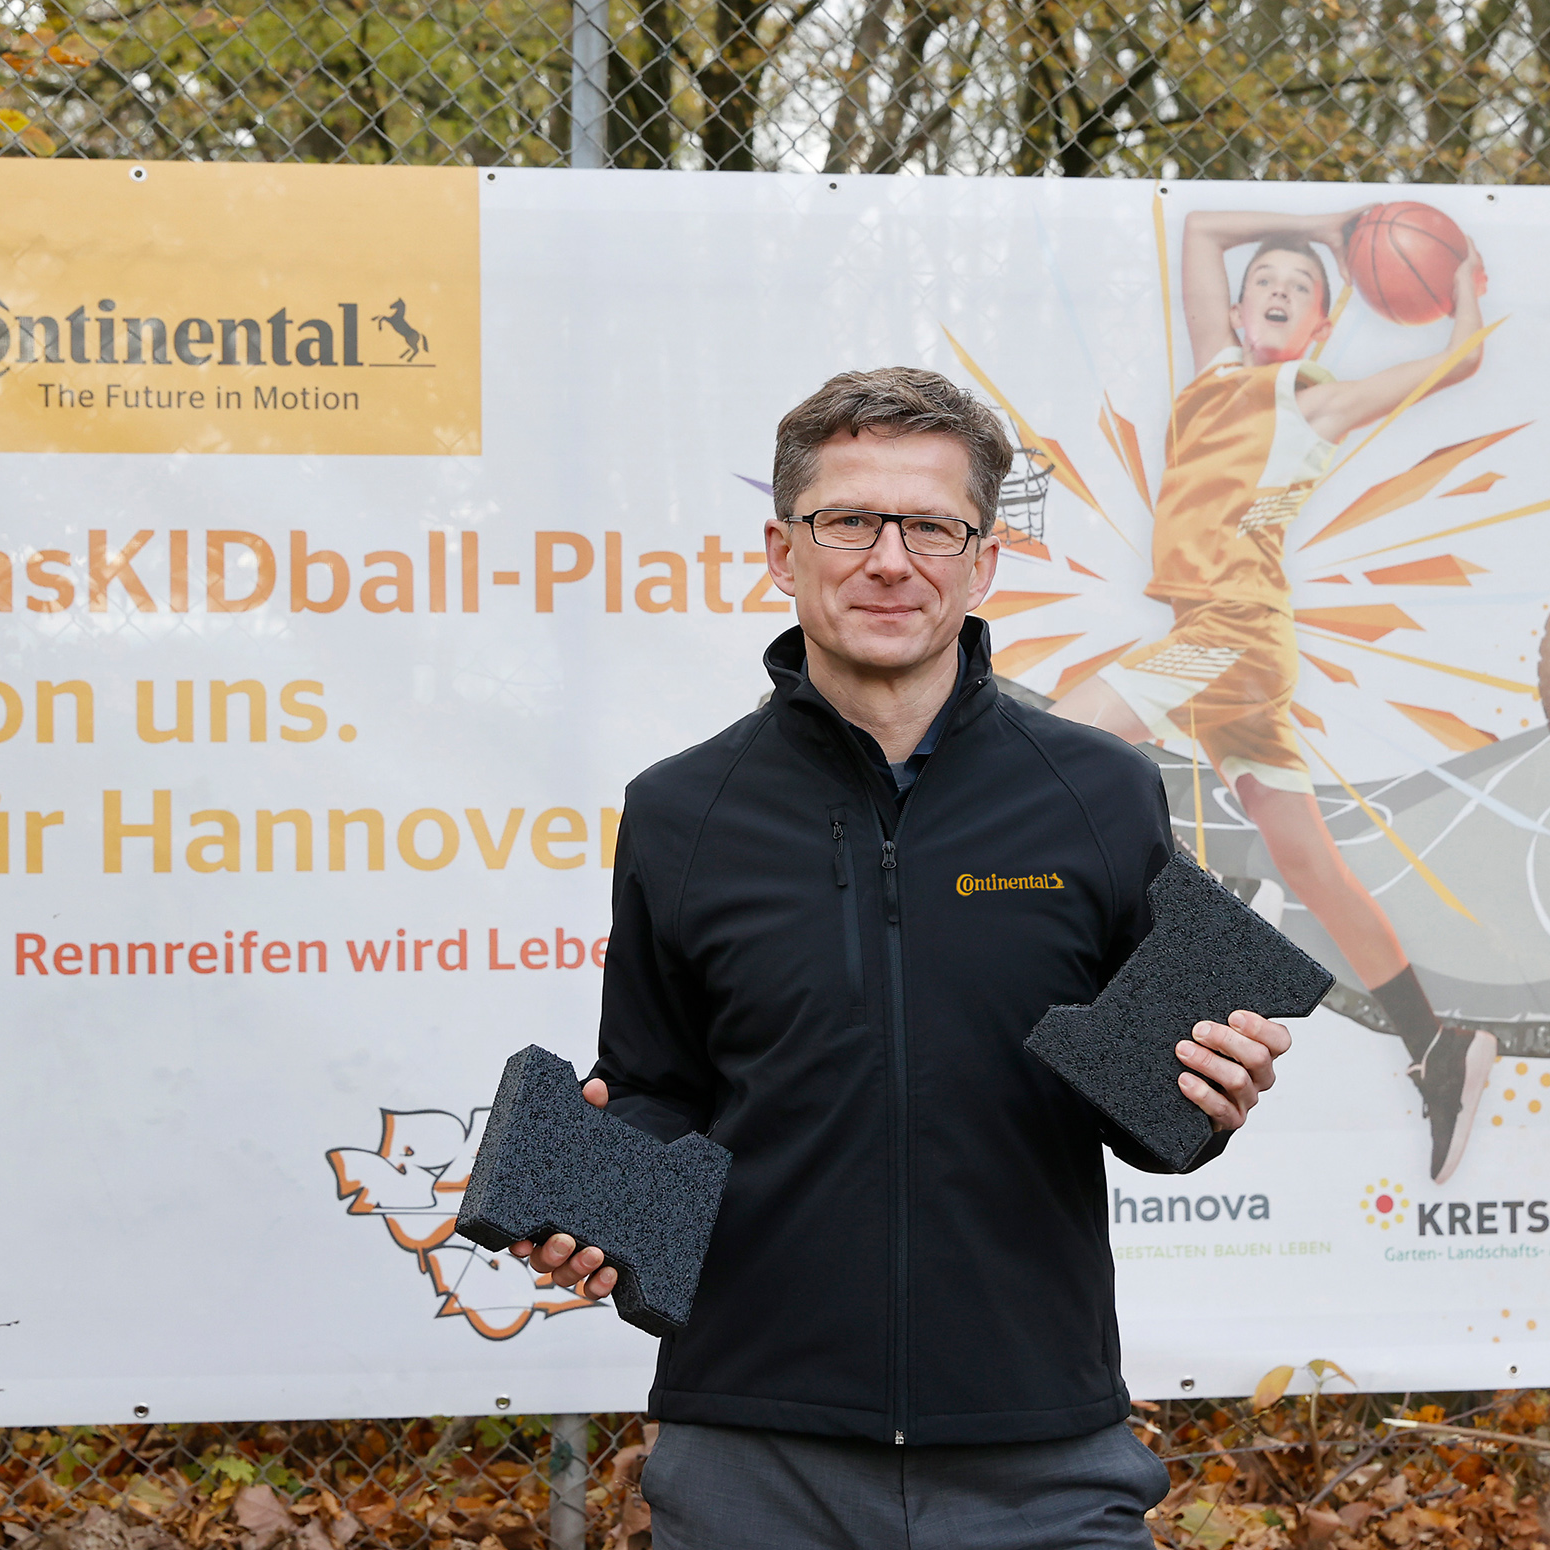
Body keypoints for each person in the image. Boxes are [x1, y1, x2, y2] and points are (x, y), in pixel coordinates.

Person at [517, 367, 1293, 1549]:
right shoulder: (681, 811)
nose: (890, 560)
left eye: (931, 526)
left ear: (983, 562)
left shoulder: (1099, 793)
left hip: (1041, 1447)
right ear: (782, 551)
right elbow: (655, 1084)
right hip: (754, 1449)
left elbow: (1154, 1111)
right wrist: (602, 1203)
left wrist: (1214, 1093)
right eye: (848, 521)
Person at [1050, 206, 1495, 1184]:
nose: (1279, 291)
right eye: (1266, 284)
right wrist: (1326, 229)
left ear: (1320, 327)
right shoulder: (1217, 374)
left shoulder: (1311, 397)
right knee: (1311, 864)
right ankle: (1438, 1043)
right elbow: (1204, 232)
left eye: (1300, 289)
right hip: (1226, 644)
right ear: (1239, 312)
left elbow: (1458, 360)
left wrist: (1459, 276)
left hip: (1230, 635)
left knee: (1046, 750)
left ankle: (1154, 953)